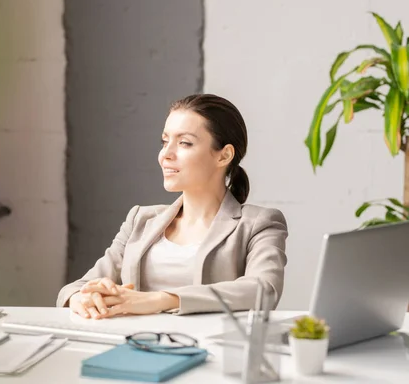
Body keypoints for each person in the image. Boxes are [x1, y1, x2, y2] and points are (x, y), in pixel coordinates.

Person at [56, 94, 288, 319]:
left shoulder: (259, 224)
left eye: (184, 143)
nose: (165, 155)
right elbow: (76, 288)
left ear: (224, 155)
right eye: (165, 142)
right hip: (135, 347)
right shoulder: (141, 219)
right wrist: (82, 298)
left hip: (210, 351)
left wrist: (159, 300)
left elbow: (263, 289)